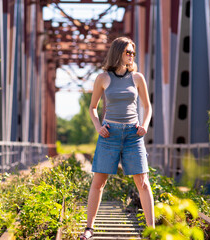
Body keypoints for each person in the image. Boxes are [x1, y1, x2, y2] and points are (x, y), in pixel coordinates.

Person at [79, 36, 155, 240]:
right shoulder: (103, 78)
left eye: (133, 53)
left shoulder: (137, 78)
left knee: (143, 183)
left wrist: (145, 125)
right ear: (118, 52)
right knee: (98, 182)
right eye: (128, 52)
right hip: (109, 134)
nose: (131, 56)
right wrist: (98, 126)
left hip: (133, 134)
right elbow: (92, 107)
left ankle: (152, 230)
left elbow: (147, 107)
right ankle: (89, 228)